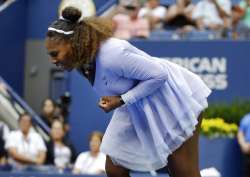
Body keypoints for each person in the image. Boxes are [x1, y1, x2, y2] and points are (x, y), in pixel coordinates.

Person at [45, 7, 211, 177]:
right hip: (135, 104)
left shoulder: (112, 54)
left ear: (73, 44)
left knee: (182, 170)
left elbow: (159, 75)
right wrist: (121, 99)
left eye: (55, 53)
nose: (53, 60)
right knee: (114, 168)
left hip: (173, 99)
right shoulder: (81, 62)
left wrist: (121, 99)